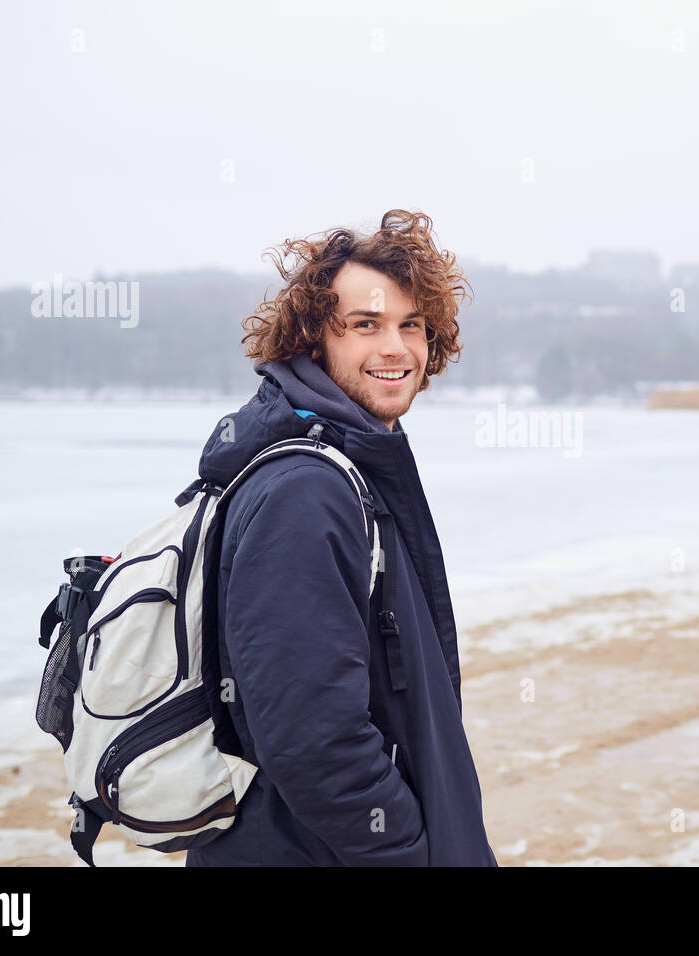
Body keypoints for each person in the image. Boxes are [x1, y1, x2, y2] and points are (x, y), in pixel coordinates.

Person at [185, 210, 497, 866]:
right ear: (311, 338)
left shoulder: (348, 465)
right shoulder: (305, 489)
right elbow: (312, 741)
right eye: (365, 325)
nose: (396, 348)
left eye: (411, 325)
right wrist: (408, 852)